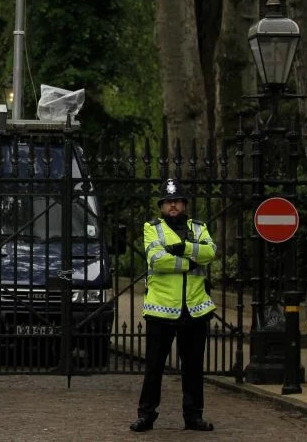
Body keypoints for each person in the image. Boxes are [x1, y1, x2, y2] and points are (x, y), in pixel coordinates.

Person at [130, 178, 216, 432]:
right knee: (154, 367)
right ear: (161, 206)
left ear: (185, 204)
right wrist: (190, 261)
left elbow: (210, 252)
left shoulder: (199, 227)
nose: (173, 206)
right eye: (168, 202)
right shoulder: (151, 228)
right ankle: (146, 415)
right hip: (161, 309)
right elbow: (157, 259)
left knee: (193, 369)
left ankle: (193, 416)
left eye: (177, 201)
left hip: (196, 308)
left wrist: (184, 247)